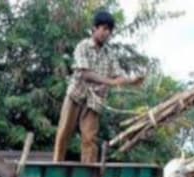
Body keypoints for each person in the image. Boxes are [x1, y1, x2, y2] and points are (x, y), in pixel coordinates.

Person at [53, 10, 144, 164]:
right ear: (94, 29)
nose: (105, 33)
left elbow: (119, 75)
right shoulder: (83, 46)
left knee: (90, 138)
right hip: (76, 94)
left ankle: (88, 176)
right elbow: (85, 74)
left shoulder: (110, 53)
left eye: (108, 30)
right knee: (64, 133)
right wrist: (110, 82)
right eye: (102, 28)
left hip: (94, 101)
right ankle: (56, 165)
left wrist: (132, 80)